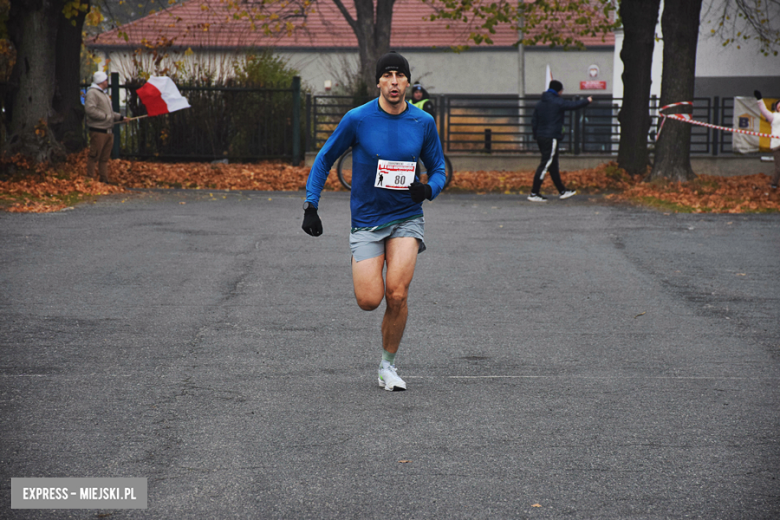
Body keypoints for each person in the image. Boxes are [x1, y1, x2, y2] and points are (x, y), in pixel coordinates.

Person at [301, 52, 447, 392]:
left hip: (406, 218)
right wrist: (311, 205)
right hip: (367, 219)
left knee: (397, 294)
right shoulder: (358, 118)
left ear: (408, 83)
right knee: (369, 300)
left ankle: (387, 365)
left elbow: (438, 168)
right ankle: (363, 257)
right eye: (388, 75)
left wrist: (428, 189)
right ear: (379, 81)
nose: (394, 81)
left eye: (400, 75)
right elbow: (324, 159)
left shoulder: (422, 122)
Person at [529, 80, 592, 202]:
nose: (562, 93)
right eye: (562, 91)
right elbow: (573, 105)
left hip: (541, 136)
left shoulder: (540, 103)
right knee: (546, 163)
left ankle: (562, 191)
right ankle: (534, 192)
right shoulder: (557, 102)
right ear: (559, 90)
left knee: (553, 165)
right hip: (551, 136)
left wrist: (536, 135)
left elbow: (534, 121)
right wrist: (587, 101)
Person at [85, 71, 125, 183]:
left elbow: (110, 113)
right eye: (106, 80)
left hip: (108, 130)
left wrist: (121, 118)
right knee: (94, 155)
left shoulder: (103, 94)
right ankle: (90, 179)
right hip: (98, 130)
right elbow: (90, 110)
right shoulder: (92, 93)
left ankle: (104, 179)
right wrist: (105, 117)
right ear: (101, 81)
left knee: (104, 158)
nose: (107, 82)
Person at [754, 90, 780, 189]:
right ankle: (774, 184)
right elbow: (764, 110)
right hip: (777, 145)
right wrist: (759, 100)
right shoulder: (773, 116)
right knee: (779, 167)